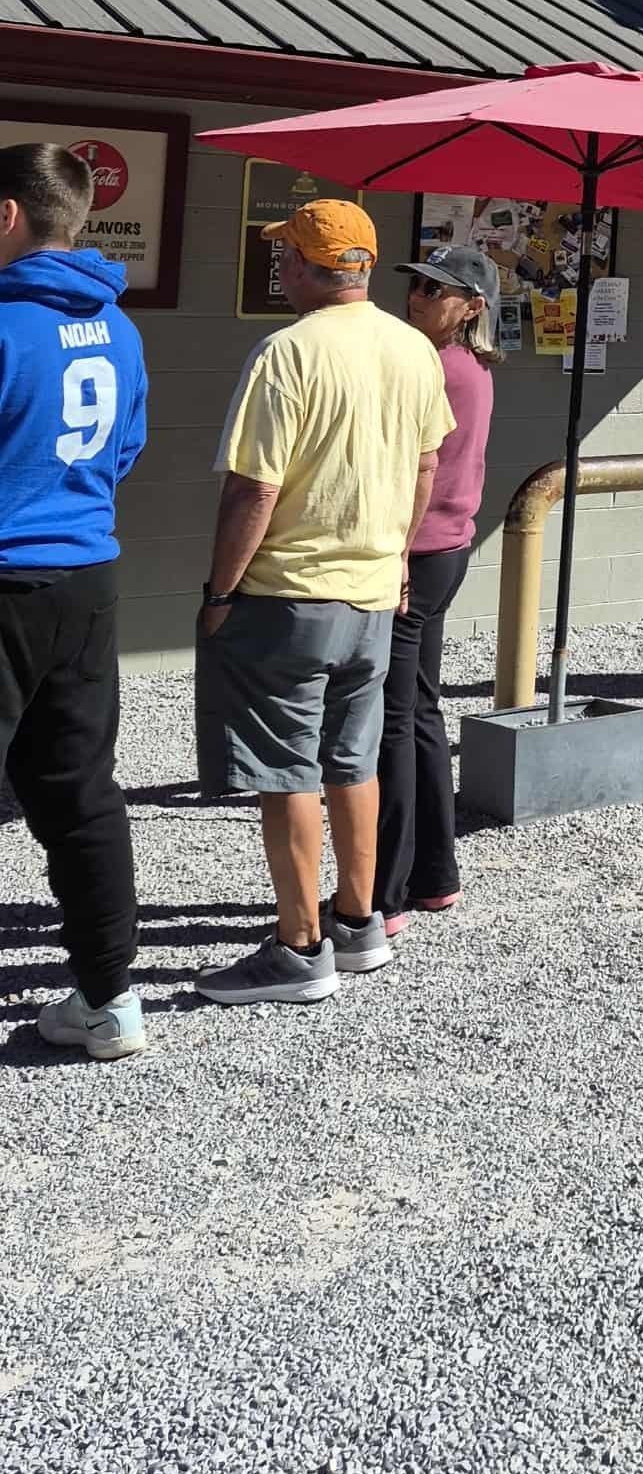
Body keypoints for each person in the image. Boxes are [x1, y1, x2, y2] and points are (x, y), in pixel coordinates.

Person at [194, 200, 453, 1008]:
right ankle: (359, 921)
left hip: (289, 594)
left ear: (310, 267)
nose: (279, 269)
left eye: (286, 257)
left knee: (287, 772)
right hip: (374, 592)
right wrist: (398, 557)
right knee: (353, 760)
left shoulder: (287, 352)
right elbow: (425, 467)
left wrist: (220, 591)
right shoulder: (413, 348)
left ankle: (299, 947)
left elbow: (254, 487)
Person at [0, 144, 150, 1061]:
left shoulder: (5, 323)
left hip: (7, 575)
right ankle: (108, 997)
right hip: (85, 577)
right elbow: (124, 449)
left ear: (7, 215)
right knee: (82, 791)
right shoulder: (117, 326)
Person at [375, 242, 500, 934]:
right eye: (418, 284)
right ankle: (435, 875)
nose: (418, 297)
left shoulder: (436, 367)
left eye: (436, 290)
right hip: (443, 550)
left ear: (472, 307)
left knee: (393, 720)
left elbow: (404, 461)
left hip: (415, 555)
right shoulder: (468, 368)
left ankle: (384, 893)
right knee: (420, 711)